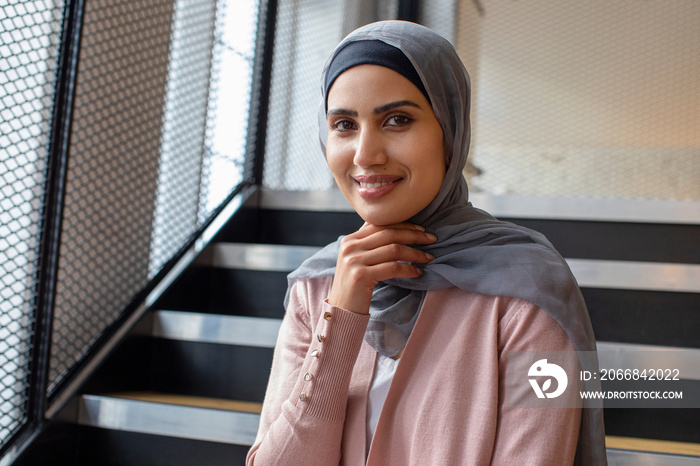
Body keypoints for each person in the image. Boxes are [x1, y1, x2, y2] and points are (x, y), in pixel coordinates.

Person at [247, 20, 606, 465]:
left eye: (397, 120)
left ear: (450, 134)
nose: (364, 154)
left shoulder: (530, 294)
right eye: (344, 124)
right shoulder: (318, 287)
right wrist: (341, 318)